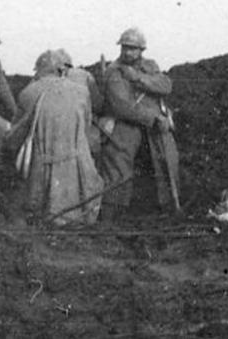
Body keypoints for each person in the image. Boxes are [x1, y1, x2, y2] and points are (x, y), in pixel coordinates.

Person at [15, 49, 104, 225]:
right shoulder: (81, 92)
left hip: (42, 168)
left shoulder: (28, 93)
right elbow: (86, 126)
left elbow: (19, 132)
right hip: (78, 165)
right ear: (62, 70)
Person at [100, 27, 178, 218]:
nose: (128, 52)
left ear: (142, 50)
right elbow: (123, 107)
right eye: (125, 47)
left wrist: (138, 79)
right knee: (118, 166)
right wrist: (152, 118)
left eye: (133, 48)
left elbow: (166, 86)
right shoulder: (114, 71)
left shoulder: (150, 66)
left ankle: (164, 208)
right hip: (126, 125)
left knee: (165, 161)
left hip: (152, 128)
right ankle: (114, 214)